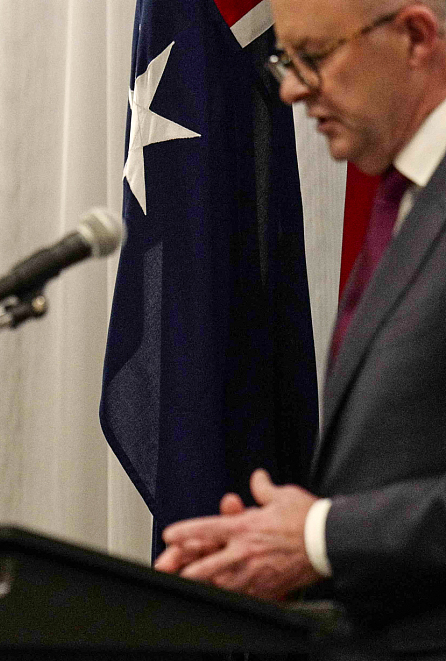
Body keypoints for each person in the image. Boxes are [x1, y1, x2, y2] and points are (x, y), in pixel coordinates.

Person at [154, 0, 446, 649]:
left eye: (313, 57)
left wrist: (320, 535)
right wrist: (282, 545)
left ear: (416, 37)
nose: (289, 89)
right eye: (290, 60)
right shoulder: (407, 203)